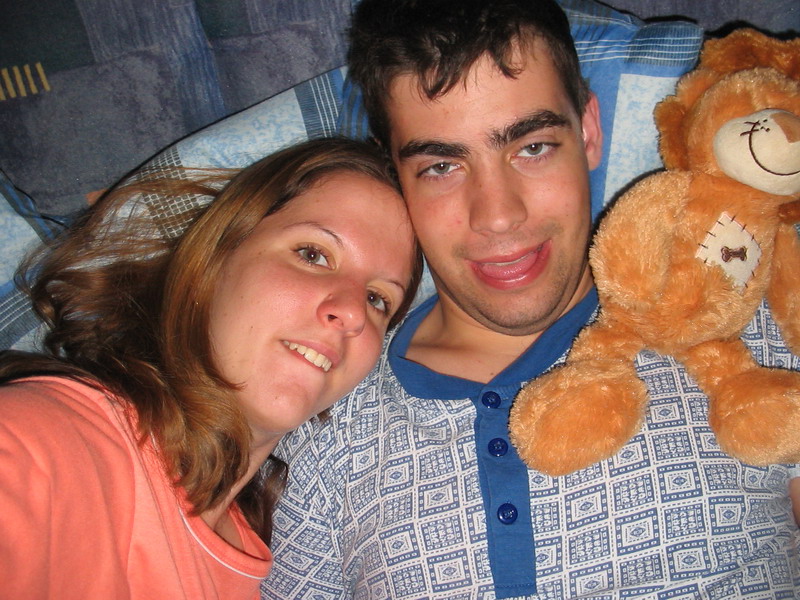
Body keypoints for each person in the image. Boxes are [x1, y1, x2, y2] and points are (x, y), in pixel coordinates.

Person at [261, 1, 800, 598]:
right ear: (395, 176)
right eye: (441, 166)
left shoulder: (749, 315)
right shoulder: (331, 421)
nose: (498, 215)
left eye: (533, 147)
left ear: (588, 131)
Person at [0, 137, 422, 599]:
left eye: (378, 299)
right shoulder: (49, 445)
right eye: (312, 254)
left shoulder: (251, 562)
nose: (354, 312)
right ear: (215, 258)